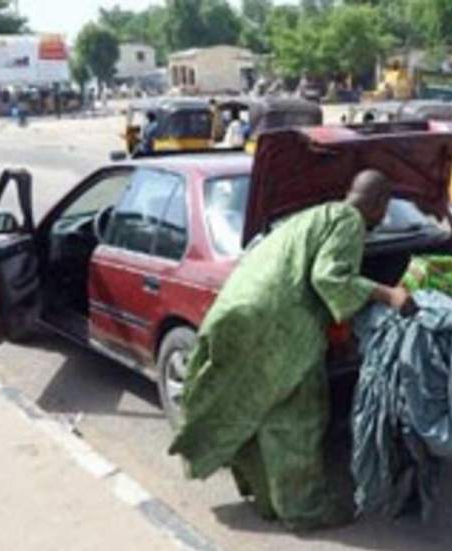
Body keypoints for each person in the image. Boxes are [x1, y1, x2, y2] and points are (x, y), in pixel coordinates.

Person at [169, 170, 415, 530]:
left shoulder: (317, 215)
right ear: (379, 204)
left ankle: (268, 500)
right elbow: (329, 277)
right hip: (278, 326)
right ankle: (304, 511)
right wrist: (388, 294)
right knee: (298, 419)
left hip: (236, 312)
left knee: (255, 410)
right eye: (384, 209)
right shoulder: (349, 222)